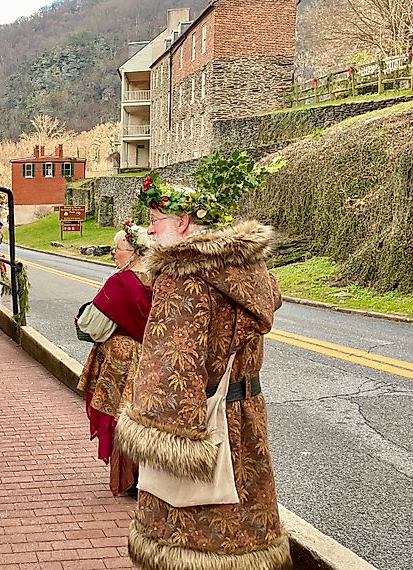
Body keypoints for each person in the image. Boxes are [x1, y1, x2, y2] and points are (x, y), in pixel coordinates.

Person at [115, 156, 289, 570]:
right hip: (245, 418)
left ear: (187, 224)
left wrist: (158, 434)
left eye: (158, 219)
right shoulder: (248, 268)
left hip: (197, 424)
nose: (150, 229)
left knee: (184, 541)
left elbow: (171, 364)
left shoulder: (180, 276)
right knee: (244, 527)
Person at [76, 222, 152, 497]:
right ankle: (150, 476)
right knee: (147, 416)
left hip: (122, 360)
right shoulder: (160, 278)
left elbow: (91, 324)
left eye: (117, 249)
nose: (113, 253)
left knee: (122, 416)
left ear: (133, 252)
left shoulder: (121, 282)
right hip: (153, 358)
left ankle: (129, 478)